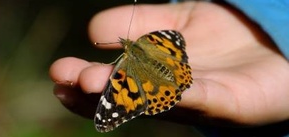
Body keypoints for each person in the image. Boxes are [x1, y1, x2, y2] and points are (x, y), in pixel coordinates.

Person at [49, 0, 289, 136]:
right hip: (174, 69)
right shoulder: (148, 41)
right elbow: (171, 39)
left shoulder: (129, 60)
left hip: (160, 81)